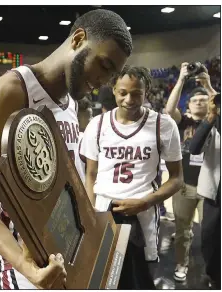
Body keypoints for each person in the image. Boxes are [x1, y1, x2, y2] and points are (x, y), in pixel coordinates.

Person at [0, 9, 132, 289]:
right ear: (78, 39)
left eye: (113, 74)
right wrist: (24, 264)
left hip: (65, 253)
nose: (104, 82)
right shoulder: (7, 93)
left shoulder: (71, 102)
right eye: (104, 65)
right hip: (25, 267)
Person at [80, 65, 183, 289]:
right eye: (123, 92)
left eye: (137, 93)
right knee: (104, 280)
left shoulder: (163, 125)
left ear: (146, 92)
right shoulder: (97, 125)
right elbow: (90, 175)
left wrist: (146, 201)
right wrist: (89, 216)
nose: (129, 99)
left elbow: (177, 179)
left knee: (140, 281)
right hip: (103, 210)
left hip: (143, 212)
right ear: (114, 90)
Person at [165, 62, 216, 282]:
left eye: (203, 100)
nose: (198, 102)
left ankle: (210, 267)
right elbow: (169, 110)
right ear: (189, 105)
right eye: (194, 100)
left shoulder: (216, 121)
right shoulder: (183, 122)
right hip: (185, 185)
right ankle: (181, 263)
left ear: (209, 103)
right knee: (182, 230)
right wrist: (181, 78)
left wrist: (209, 86)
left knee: (210, 232)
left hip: (209, 186)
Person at [189, 93, 220, 289]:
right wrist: (211, 117)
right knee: (209, 239)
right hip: (215, 196)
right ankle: (214, 276)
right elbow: (194, 148)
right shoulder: (213, 126)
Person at [76, 96, 93, 184]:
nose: (92, 119)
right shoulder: (85, 139)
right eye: (90, 116)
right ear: (77, 120)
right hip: (84, 190)